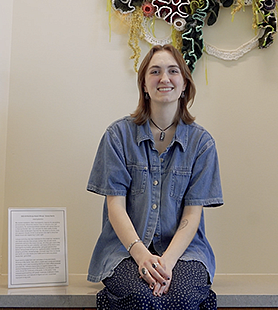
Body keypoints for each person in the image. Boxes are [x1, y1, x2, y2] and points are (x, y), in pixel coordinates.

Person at [87, 44, 223, 310]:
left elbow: (192, 215)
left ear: (184, 84)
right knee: (141, 299)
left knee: (181, 298)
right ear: (144, 86)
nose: (164, 78)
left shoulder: (202, 143)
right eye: (155, 72)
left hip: (185, 253)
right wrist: (141, 255)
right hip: (124, 252)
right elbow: (115, 207)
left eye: (173, 71)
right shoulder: (117, 136)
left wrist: (167, 261)